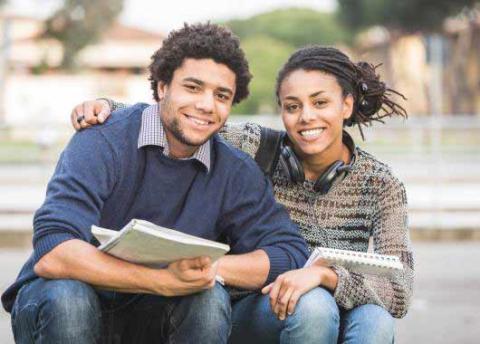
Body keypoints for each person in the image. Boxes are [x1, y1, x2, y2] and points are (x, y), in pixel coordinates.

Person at [72, 45, 414, 343]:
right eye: (292, 106)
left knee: (376, 322)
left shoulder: (381, 184)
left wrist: (326, 276)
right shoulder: (254, 145)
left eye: (320, 102)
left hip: (336, 301)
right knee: (314, 307)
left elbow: (399, 290)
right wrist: (106, 107)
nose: (306, 117)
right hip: (252, 307)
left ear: (346, 105)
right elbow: (188, 119)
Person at [1, 23, 310, 344]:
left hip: (155, 313)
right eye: (193, 87)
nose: (207, 104)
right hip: (64, 302)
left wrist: (205, 267)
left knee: (208, 297)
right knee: (69, 298)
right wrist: (160, 279)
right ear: (162, 87)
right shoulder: (102, 139)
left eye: (221, 96)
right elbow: (54, 251)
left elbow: (288, 253)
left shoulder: (234, 170)